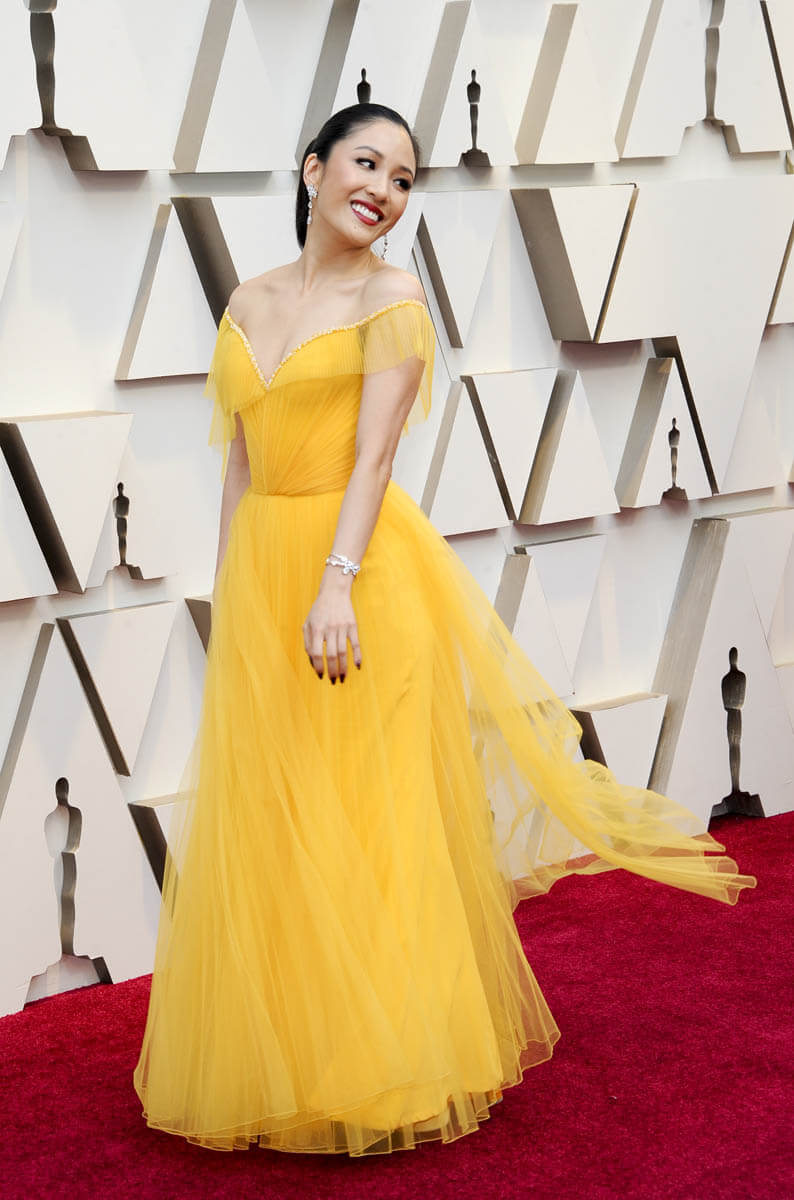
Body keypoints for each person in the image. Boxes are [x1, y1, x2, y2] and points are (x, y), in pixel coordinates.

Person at [132, 103, 756, 1157]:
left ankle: (390, 1064)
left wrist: (334, 583)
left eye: (403, 179)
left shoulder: (395, 298)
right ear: (313, 169)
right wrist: (236, 590)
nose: (382, 189)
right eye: (366, 163)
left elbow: (374, 458)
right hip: (265, 576)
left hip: (360, 580)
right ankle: (292, 1055)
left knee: (368, 817)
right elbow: (239, 460)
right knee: (281, 818)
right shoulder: (247, 299)